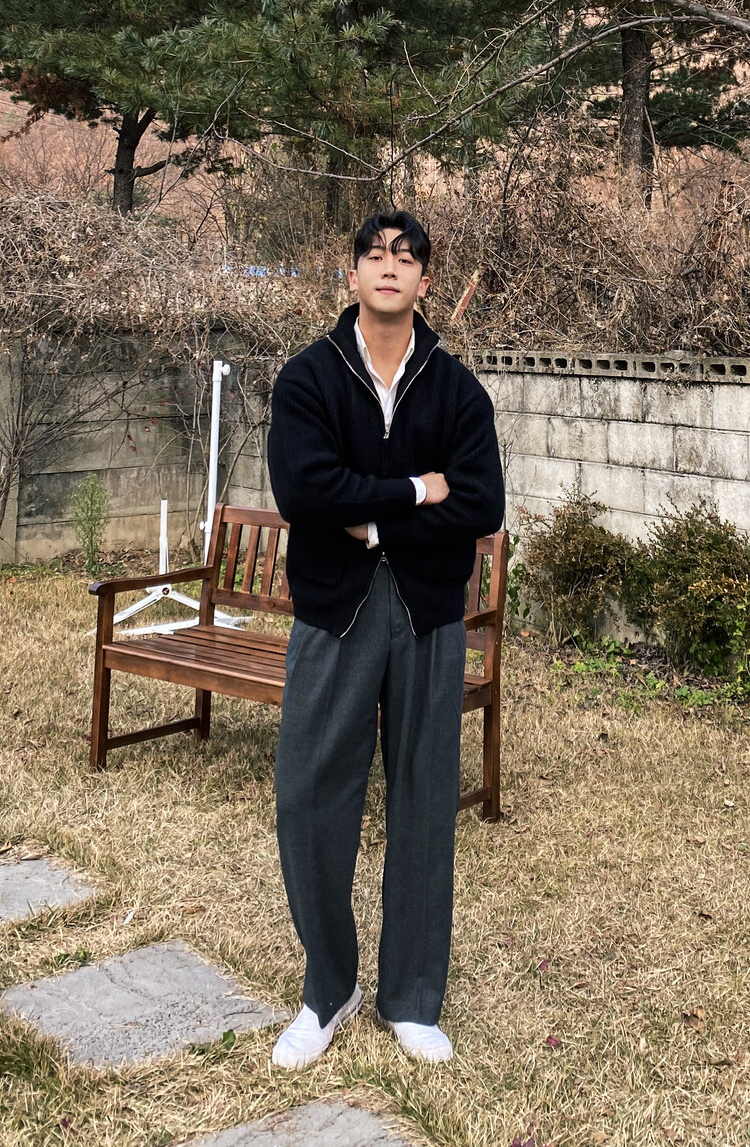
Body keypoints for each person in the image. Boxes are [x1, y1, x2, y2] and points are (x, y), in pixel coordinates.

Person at [266, 210, 505, 1069]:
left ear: (425, 282)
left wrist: (368, 519)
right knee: (307, 797)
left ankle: (411, 997)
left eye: (406, 258)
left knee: (424, 801)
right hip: (335, 610)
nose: (390, 267)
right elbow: (305, 490)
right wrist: (411, 492)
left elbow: (481, 503)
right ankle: (328, 990)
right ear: (353, 275)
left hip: (428, 614)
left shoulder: (457, 389)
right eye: (374, 255)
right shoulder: (309, 377)